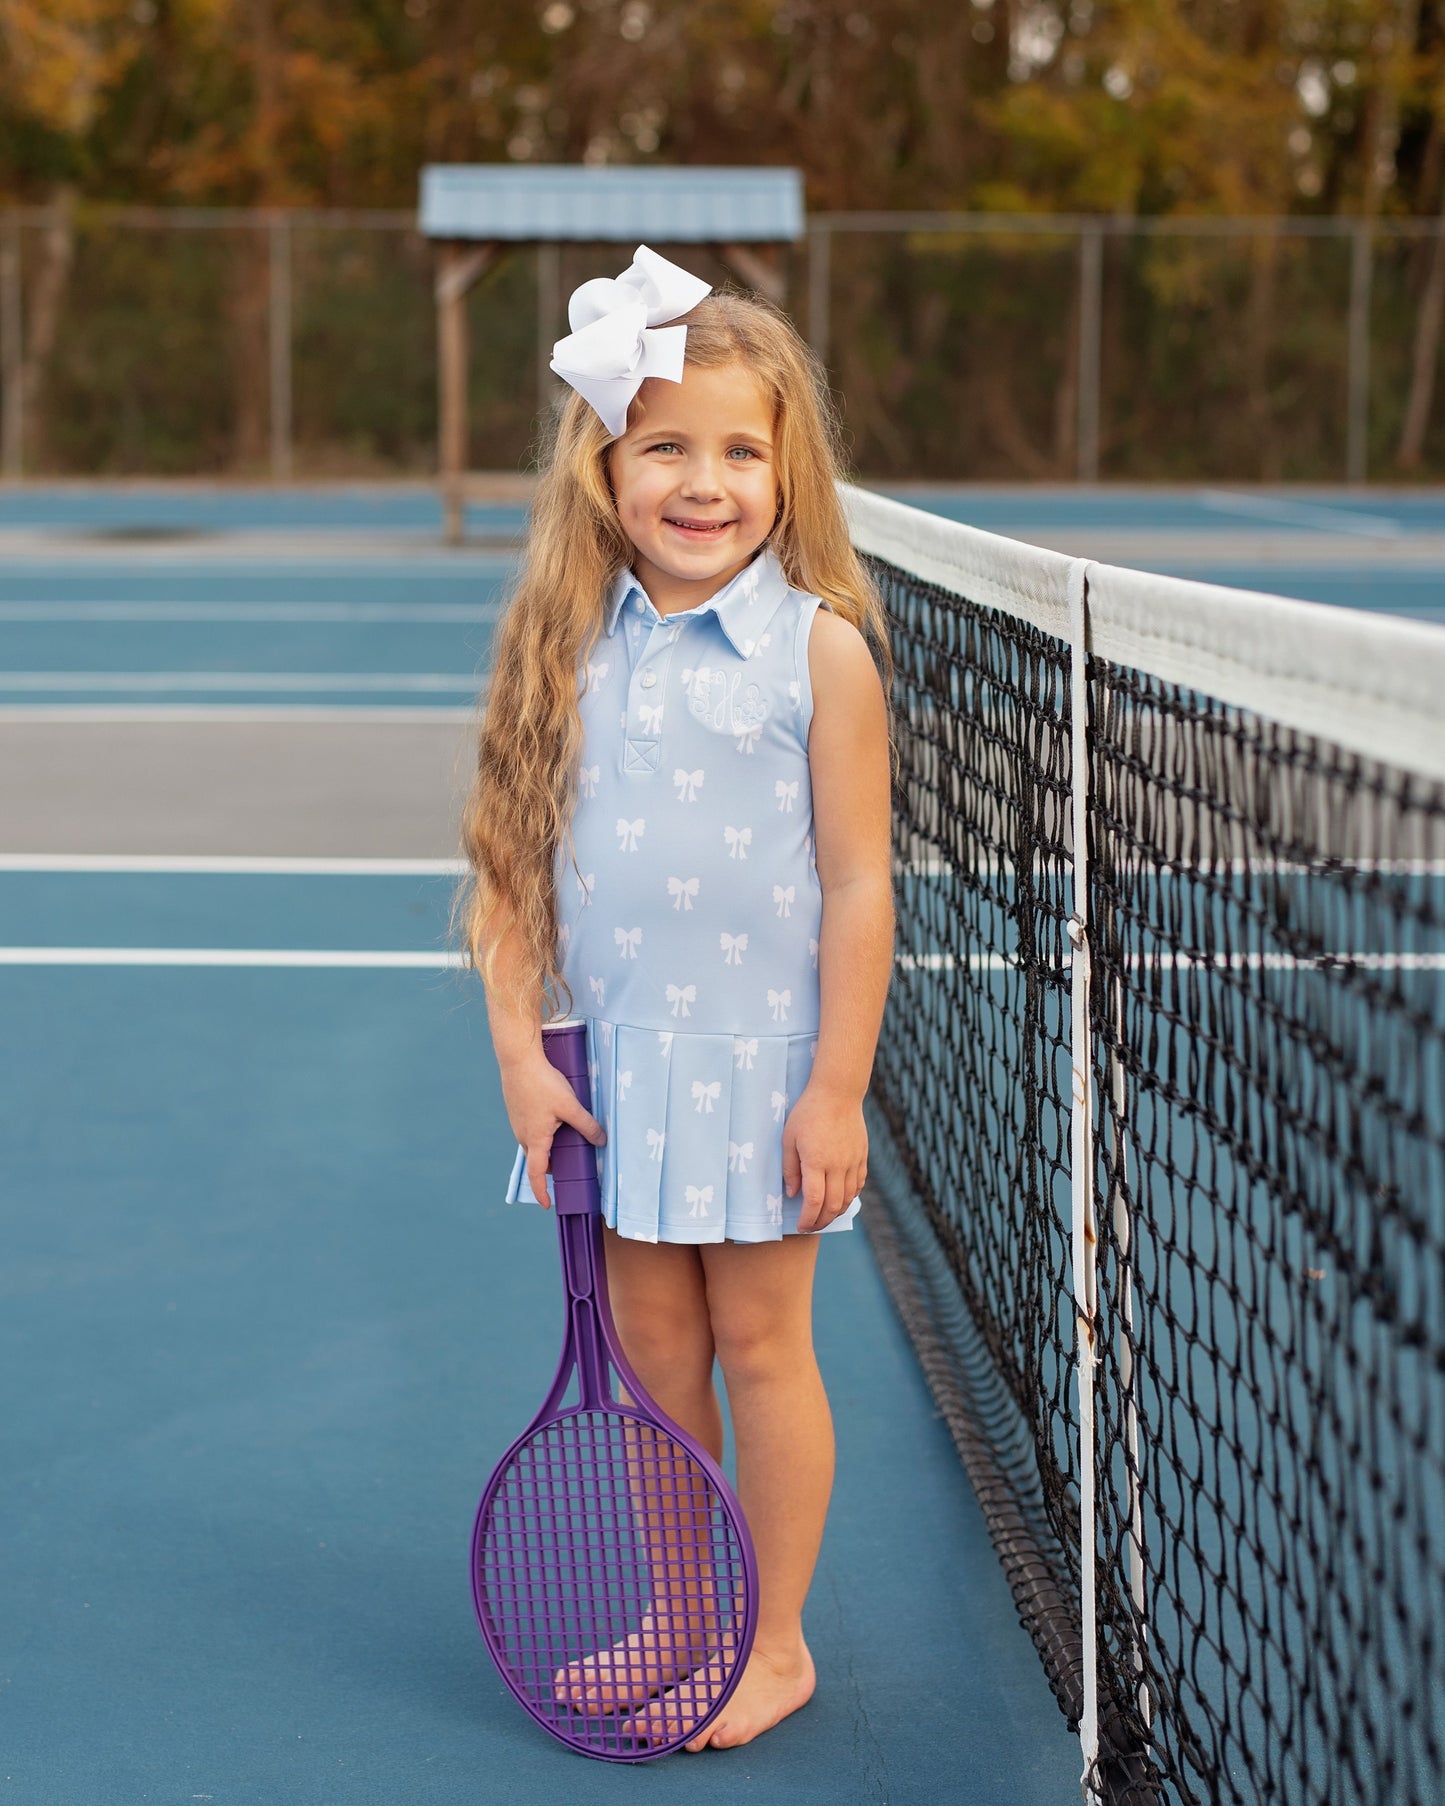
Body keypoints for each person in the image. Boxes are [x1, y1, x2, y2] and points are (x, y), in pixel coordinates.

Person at [458, 246, 894, 1752]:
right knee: (649, 1359)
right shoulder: (562, 649)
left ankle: (770, 1641)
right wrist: (520, 1055)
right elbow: (508, 873)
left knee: (765, 1347)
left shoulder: (818, 649)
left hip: (765, 1081)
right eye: (665, 448)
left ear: (786, 468)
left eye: (737, 450)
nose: (702, 482)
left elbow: (856, 887)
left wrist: (835, 1084)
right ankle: (678, 1609)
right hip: (615, 1075)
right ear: (604, 464)